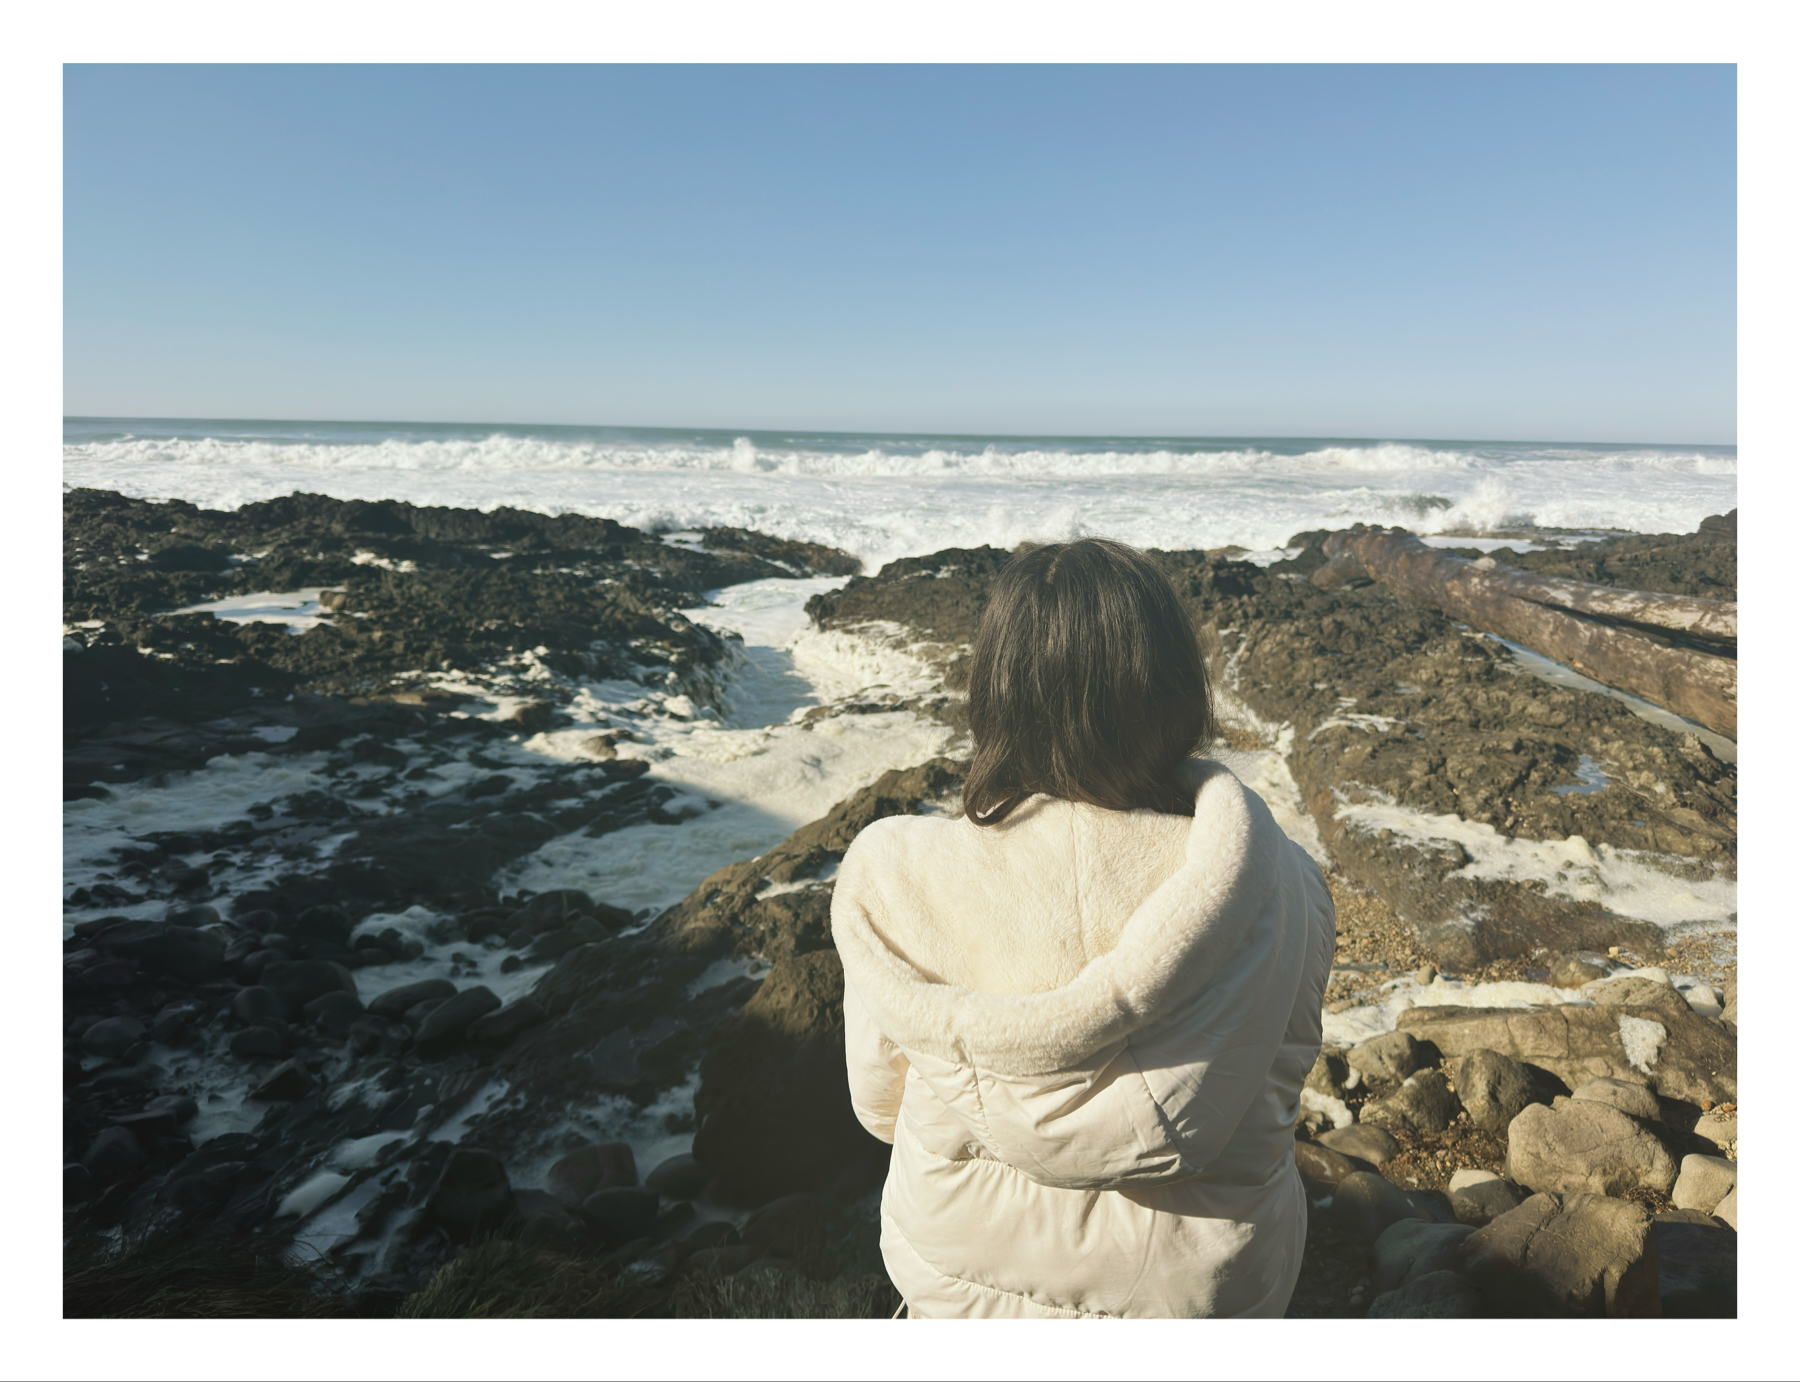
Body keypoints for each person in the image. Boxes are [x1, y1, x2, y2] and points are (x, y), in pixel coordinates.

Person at [830, 537, 1336, 1318]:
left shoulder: (903, 880)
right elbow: (1282, 1070)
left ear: (996, 688)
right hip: (1201, 1290)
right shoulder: (1279, 878)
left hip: (957, 1275)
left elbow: (878, 1107)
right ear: (1172, 687)